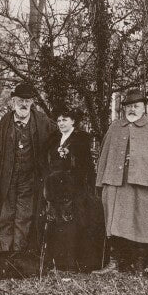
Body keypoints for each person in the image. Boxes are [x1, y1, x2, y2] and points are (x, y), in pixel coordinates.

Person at [93, 88, 148, 274]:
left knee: (142, 222)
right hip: (116, 183)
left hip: (146, 185)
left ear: (144, 108)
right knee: (114, 222)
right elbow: (105, 155)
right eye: (129, 106)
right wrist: (101, 181)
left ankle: (139, 264)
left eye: (136, 106)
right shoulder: (115, 127)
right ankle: (115, 264)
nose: (132, 109)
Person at [0, 82, 57, 255]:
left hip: (30, 178)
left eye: (27, 101)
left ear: (32, 102)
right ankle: (4, 251)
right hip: (8, 177)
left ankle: (18, 251)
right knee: (6, 213)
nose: (24, 104)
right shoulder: (5, 122)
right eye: (20, 100)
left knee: (24, 215)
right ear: (13, 101)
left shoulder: (43, 122)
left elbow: (59, 139)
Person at [42, 106, 95, 270]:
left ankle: (72, 263)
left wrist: (70, 160)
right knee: (54, 222)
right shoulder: (52, 138)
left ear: (73, 121)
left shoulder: (81, 139)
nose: (61, 123)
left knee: (71, 223)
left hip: (73, 188)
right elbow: (45, 160)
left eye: (64, 120)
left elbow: (86, 165)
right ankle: (56, 261)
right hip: (54, 188)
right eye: (58, 120)